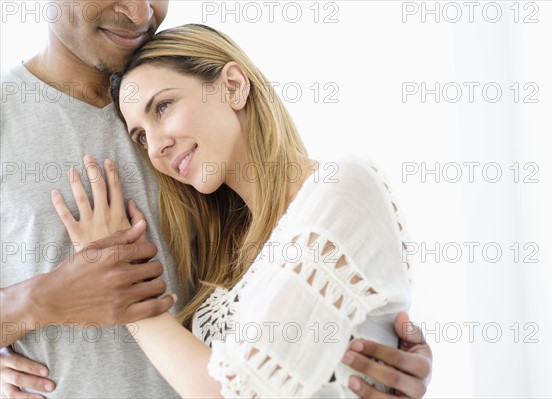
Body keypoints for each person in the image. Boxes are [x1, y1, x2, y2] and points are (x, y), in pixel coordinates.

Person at [0, 1, 431, 398]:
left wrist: (367, 349)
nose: (137, 12)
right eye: (141, 136)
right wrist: (35, 303)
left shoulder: (181, 94)